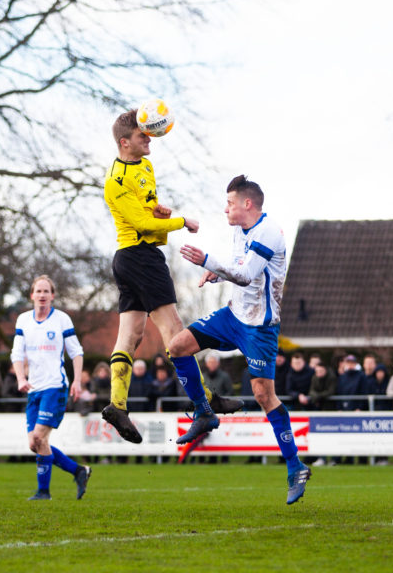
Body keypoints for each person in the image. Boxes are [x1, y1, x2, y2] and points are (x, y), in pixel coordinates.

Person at [167, 174, 311, 504]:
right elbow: (240, 265)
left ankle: (295, 466)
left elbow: (246, 275)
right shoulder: (239, 229)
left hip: (260, 326)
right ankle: (204, 412)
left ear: (248, 204)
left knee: (263, 394)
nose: (225, 209)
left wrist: (207, 260)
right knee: (177, 346)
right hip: (233, 316)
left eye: (230, 203)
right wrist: (218, 270)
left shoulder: (269, 231)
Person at [100, 109, 240, 443]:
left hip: (136, 258)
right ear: (124, 142)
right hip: (139, 259)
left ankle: (117, 406)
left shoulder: (145, 166)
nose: (149, 139)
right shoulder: (115, 180)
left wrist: (159, 211)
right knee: (175, 333)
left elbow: (149, 215)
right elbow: (142, 225)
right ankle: (205, 403)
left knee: (130, 337)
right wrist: (181, 222)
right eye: (141, 136)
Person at [11, 275, 91, 501]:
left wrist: (76, 381)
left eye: (47, 291)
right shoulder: (23, 320)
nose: (42, 295)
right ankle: (78, 471)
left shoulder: (62, 319)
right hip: (33, 389)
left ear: (53, 296)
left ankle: (43, 492)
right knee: (34, 443)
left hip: (55, 387)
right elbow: (16, 354)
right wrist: (20, 378)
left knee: (38, 437)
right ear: (32, 295)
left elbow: (76, 351)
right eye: (39, 291)